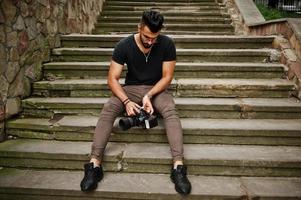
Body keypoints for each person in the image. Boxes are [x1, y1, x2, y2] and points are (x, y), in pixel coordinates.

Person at [80, 10, 191, 195]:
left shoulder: (167, 44)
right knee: (108, 109)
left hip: (156, 89)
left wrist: (149, 95)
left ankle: (178, 168)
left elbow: (167, 77)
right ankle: (94, 165)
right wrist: (125, 101)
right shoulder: (124, 45)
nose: (150, 42)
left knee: (170, 111)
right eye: (147, 37)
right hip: (130, 89)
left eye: (154, 38)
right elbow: (112, 79)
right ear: (138, 27)